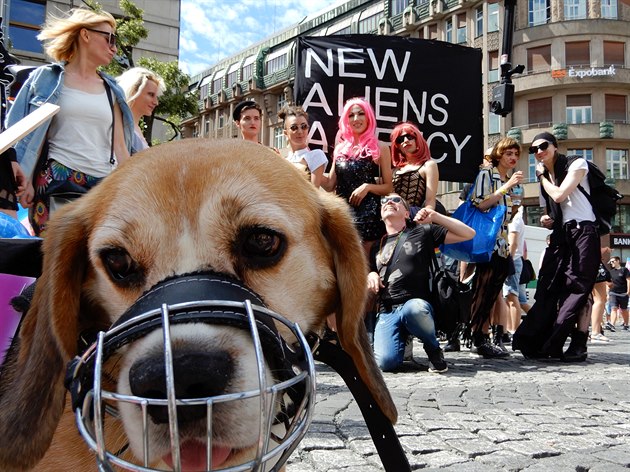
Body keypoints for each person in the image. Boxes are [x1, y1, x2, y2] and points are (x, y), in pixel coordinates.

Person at [7, 8, 134, 236]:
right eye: (109, 38)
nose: (114, 47)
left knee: (94, 265)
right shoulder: (46, 79)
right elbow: (18, 131)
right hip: (56, 180)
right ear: (85, 35)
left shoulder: (112, 90)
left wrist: (134, 192)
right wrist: (25, 179)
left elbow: (121, 148)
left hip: (103, 188)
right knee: (55, 262)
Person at [513, 131, 600, 362]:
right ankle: (542, 341)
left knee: (579, 287)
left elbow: (560, 195)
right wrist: (546, 219)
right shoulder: (546, 178)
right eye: (533, 150)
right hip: (563, 233)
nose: (538, 152)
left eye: (542, 146)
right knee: (549, 285)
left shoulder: (577, 163)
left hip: (585, 230)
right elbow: (553, 210)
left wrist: (541, 178)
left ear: (554, 146)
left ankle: (579, 342)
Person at [367, 193, 475, 372]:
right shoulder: (377, 245)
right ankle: (402, 337)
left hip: (415, 304)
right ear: (380, 214)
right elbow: (371, 270)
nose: (389, 203)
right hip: (387, 310)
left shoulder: (422, 232)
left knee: (415, 309)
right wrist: (370, 274)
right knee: (386, 363)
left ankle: (433, 349)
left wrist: (436, 217)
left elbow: (468, 234)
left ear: (407, 214)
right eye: (384, 201)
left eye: (396, 201)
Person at [466, 137, 523, 358]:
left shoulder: (507, 179)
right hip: (485, 241)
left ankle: (483, 337)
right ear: (499, 154)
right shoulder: (487, 174)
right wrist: (506, 187)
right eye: (509, 153)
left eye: (516, 155)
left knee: (492, 291)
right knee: (482, 288)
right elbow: (480, 203)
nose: (513, 158)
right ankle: (477, 337)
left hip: (500, 243)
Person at [323, 97, 393, 254]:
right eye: (351, 115)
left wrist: (367, 187)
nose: (356, 119)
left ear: (368, 117)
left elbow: (389, 187)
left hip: (368, 217)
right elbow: (329, 185)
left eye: (361, 114)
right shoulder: (340, 148)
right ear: (345, 120)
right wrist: (311, 166)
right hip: (343, 216)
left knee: (365, 268)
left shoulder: (380, 147)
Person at [389, 122, 442, 220]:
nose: (405, 141)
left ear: (417, 139)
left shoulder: (428, 165)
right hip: (394, 219)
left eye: (409, 137)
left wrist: (425, 220)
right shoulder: (393, 170)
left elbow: (430, 201)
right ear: (397, 146)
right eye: (400, 140)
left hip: (415, 217)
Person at [116, 67, 165, 153]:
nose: (156, 102)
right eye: (151, 94)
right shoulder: (120, 125)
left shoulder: (135, 128)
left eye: (156, 97)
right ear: (133, 91)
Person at [278, 105, 327, 188]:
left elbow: (314, 191)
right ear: (286, 133)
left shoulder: (316, 155)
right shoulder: (283, 160)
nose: (300, 131)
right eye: (294, 128)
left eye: (304, 126)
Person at [503, 204, 526, 334]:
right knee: (509, 296)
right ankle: (509, 329)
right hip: (514, 259)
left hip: (513, 259)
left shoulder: (516, 219)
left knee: (512, 295)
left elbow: (513, 243)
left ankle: (513, 329)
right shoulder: (516, 218)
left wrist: (508, 261)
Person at [590, 248, 611, 343]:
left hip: (581, 265)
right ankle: (595, 332)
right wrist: (605, 250)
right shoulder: (589, 234)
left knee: (593, 300)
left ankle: (594, 331)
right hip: (592, 264)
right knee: (600, 300)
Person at [607, 256, 630, 331]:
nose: (611, 263)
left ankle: (626, 324)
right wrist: (607, 293)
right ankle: (612, 325)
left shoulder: (624, 270)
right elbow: (609, 283)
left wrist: (628, 291)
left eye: (613, 261)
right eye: (610, 262)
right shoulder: (611, 272)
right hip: (613, 293)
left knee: (624, 310)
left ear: (618, 261)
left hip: (623, 293)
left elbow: (628, 280)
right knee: (614, 308)